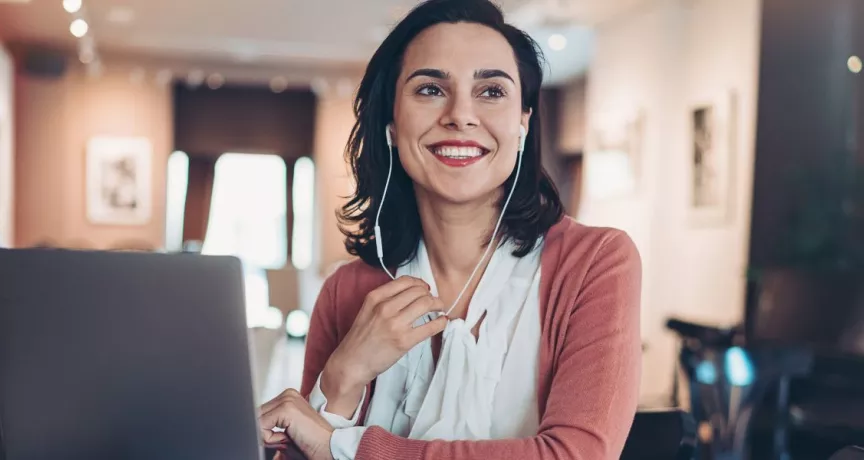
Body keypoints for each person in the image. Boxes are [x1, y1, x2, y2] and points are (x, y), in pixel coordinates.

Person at [257, 1, 642, 459]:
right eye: (430, 89)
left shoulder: (596, 262)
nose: (461, 114)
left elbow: (576, 456)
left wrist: (347, 447)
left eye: (492, 91)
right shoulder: (345, 291)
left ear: (523, 121)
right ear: (391, 125)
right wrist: (341, 377)